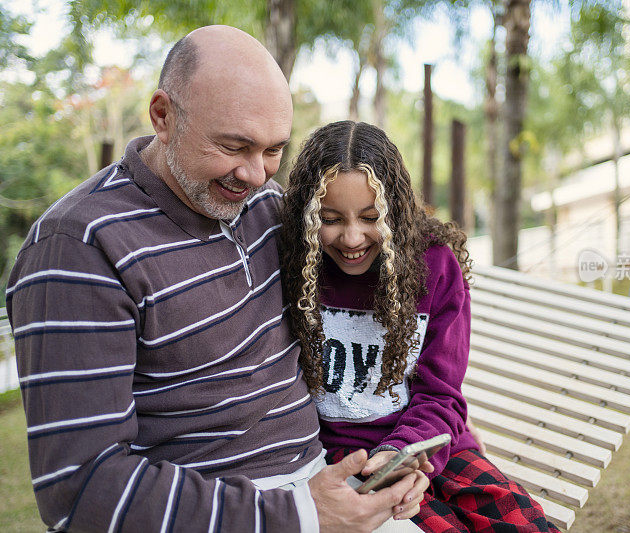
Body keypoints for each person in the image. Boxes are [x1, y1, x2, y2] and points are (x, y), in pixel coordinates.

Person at [6, 26, 428, 532]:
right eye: (234, 146)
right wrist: (297, 517)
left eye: (273, 150)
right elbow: (83, 491)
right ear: (163, 116)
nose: (255, 175)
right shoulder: (79, 248)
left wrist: (405, 454)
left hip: (325, 485)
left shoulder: (270, 210)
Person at [280, 121, 560, 532]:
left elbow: (441, 393)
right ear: (307, 215)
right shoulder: (292, 267)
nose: (352, 237)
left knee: (522, 522)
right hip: (349, 462)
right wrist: (380, 466)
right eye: (330, 218)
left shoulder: (435, 266)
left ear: (396, 207)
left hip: (429, 445)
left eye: (372, 216)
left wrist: (407, 449)